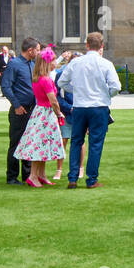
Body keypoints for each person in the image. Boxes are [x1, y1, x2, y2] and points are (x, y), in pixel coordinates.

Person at [58, 32, 121, 189]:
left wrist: (76, 90)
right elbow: (116, 87)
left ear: (86, 45)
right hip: (98, 106)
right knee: (95, 143)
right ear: (101, 46)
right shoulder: (106, 63)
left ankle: (72, 178)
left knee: (76, 141)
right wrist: (106, 94)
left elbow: (62, 82)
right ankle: (92, 179)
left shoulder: (76, 63)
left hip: (79, 106)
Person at [14, 48, 66, 187]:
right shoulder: (46, 80)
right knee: (40, 145)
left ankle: (41, 174)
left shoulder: (38, 78)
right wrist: (59, 113)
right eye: (53, 60)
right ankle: (33, 175)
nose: (55, 62)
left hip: (39, 112)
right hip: (46, 113)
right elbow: (53, 100)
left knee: (42, 144)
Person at [1, 37, 40, 185]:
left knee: (29, 143)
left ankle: (27, 175)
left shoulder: (33, 64)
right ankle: (11, 176)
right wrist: (16, 105)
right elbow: (6, 86)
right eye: (36, 49)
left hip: (32, 110)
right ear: (30, 50)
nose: (38, 52)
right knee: (16, 143)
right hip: (20, 110)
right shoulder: (14, 65)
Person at [52, 51, 76, 182]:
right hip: (67, 112)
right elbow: (57, 97)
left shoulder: (84, 76)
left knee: (79, 142)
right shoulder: (61, 75)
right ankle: (59, 169)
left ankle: (79, 169)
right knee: (63, 141)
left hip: (80, 113)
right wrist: (69, 108)